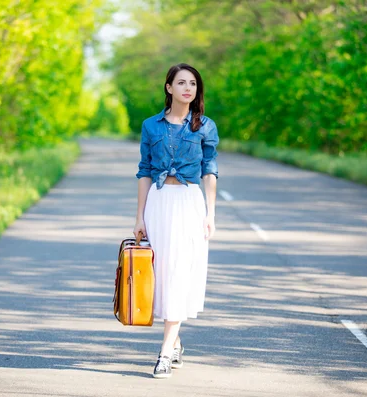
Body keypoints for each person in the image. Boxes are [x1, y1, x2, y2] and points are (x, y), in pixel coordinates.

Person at [133, 63, 219, 379]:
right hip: (158, 202)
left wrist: (210, 213)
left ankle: (165, 354)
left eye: (193, 84)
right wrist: (139, 216)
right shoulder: (151, 126)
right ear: (169, 87)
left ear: (197, 91)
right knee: (161, 273)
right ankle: (176, 341)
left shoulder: (205, 126)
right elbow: (144, 170)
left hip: (189, 203)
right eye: (181, 83)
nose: (187, 88)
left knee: (180, 272)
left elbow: (210, 170)